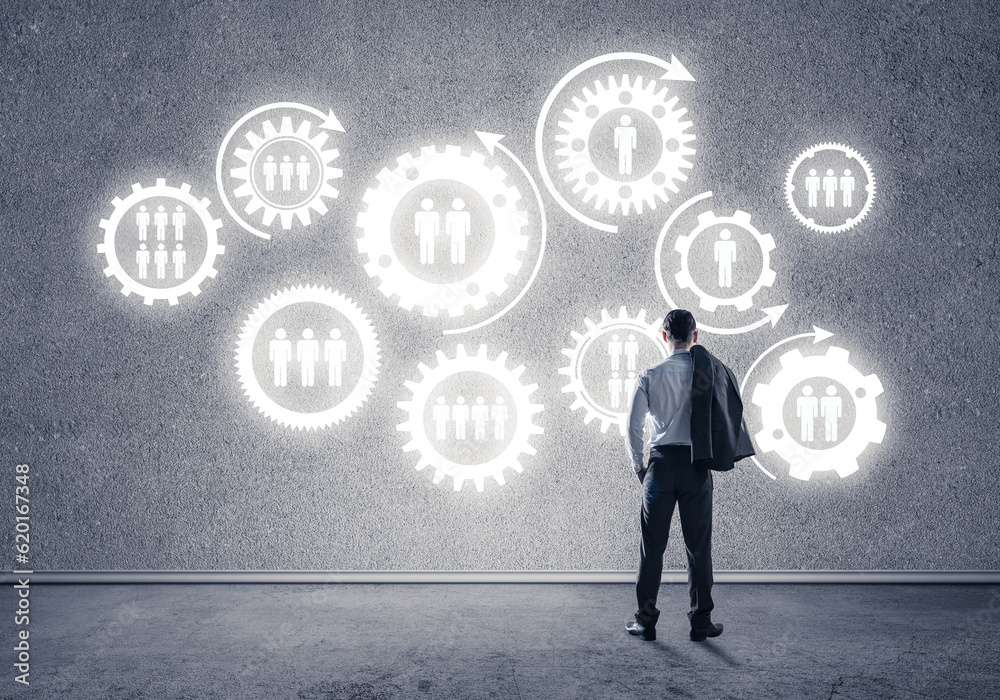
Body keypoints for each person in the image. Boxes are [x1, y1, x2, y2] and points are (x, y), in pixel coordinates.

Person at [624, 309, 754, 642]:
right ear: (695, 336)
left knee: (652, 548)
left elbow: (633, 427)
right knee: (699, 548)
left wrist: (641, 466)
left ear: (664, 336)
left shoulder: (650, 375)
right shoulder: (708, 373)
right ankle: (701, 623)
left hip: (661, 466)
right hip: (697, 466)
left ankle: (645, 621)